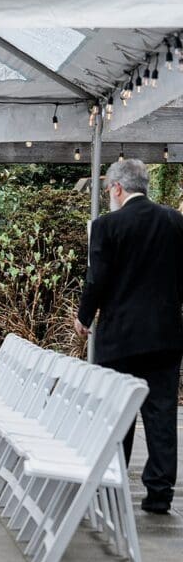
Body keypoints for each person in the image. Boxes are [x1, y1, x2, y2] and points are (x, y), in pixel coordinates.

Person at [75, 159, 183, 514]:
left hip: (119, 338)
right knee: (161, 414)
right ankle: (159, 493)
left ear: (118, 188)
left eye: (109, 189)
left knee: (116, 412)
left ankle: (114, 485)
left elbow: (97, 278)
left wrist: (84, 317)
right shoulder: (175, 222)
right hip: (165, 336)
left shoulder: (107, 226)